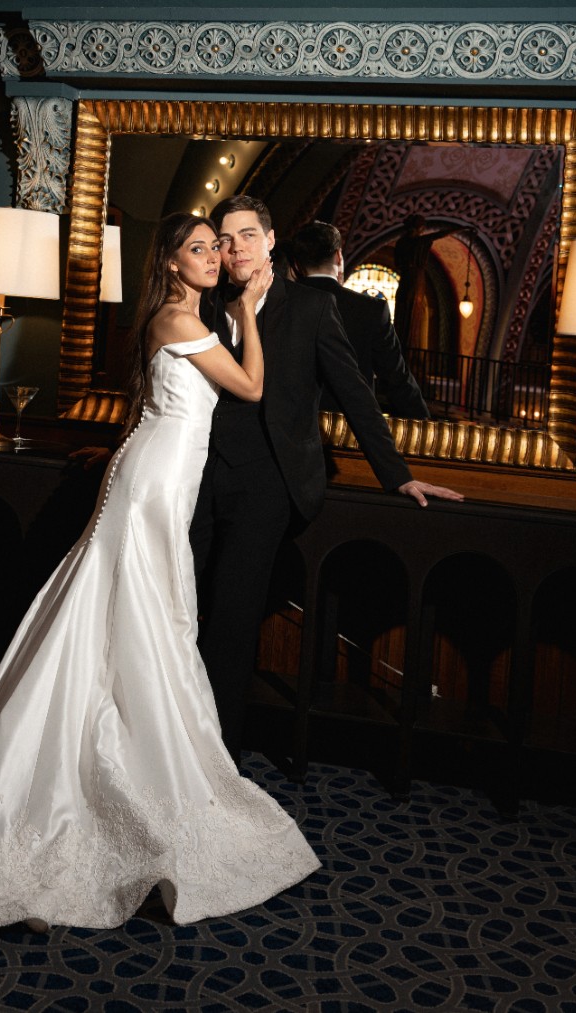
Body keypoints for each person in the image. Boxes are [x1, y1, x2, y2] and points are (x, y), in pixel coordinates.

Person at [0, 213, 319, 932]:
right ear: (170, 264)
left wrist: (119, 444)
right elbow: (252, 386)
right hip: (153, 485)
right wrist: (244, 312)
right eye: (197, 248)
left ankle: (132, 742)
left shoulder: (180, 317)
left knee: (137, 609)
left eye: (214, 246)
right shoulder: (179, 316)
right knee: (135, 612)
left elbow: (154, 406)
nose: (211, 256)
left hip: (159, 477)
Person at [190, 195, 463, 762]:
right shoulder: (203, 303)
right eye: (223, 238)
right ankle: (168, 745)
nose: (233, 247)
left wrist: (398, 477)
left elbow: (358, 399)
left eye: (245, 235)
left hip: (269, 482)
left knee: (231, 619)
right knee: (178, 611)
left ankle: (214, 760)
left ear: (270, 241)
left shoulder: (311, 308)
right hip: (194, 477)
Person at [292, 219, 429, 419]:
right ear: (339, 257)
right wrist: (423, 422)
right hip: (349, 429)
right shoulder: (371, 309)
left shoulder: (278, 304)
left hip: (291, 425)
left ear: (296, 265)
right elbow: (396, 379)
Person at [392, 213, 453, 350]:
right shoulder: (418, 242)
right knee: (412, 308)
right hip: (415, 279)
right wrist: (461, 228)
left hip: (407, 279)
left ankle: (404, 344)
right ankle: (407, 347)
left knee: (408, 309)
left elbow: (397, 262)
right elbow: (440, 234)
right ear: (419, 227)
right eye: (421, 226)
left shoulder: (401, 243)